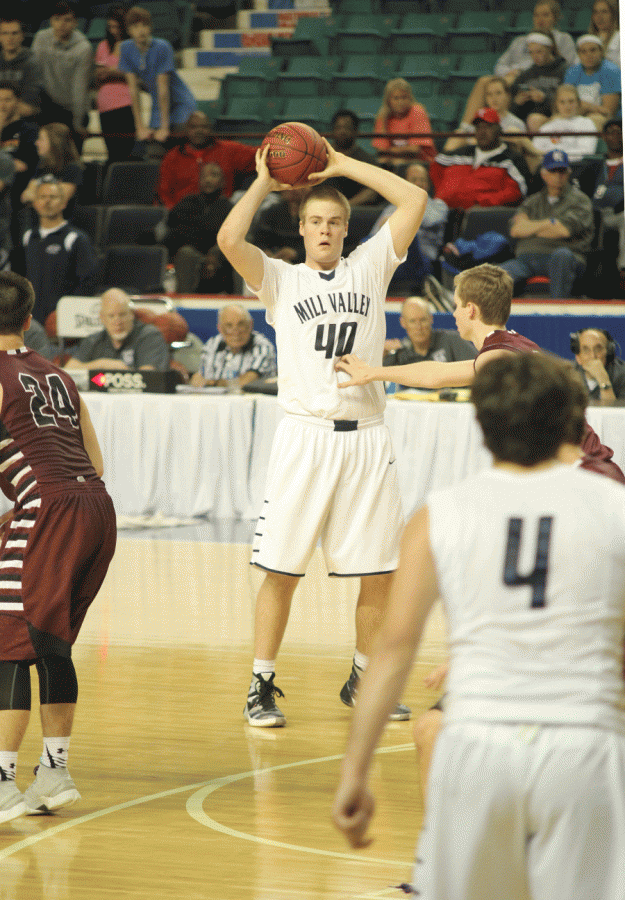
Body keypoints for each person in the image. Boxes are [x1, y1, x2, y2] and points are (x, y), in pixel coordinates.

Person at [333, 351, 625, 900]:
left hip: (477, 746)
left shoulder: (439, 514)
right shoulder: (614, 508)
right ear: (567, 421)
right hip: (581, 748)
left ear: (482, 427)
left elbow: (392, 651)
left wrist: (355, 770)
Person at [216, 139, 427, 727]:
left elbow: (415, 197)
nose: (326, 230)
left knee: (381, 572)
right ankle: (260, 683)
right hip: (305, 437)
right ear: (303, 228)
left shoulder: (371, 264)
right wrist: (264, 181)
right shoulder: (280, 280)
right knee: (281, 568)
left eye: (335, 221)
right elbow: (229, 241)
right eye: (315, 221)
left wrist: (342, 165)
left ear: (346, 227)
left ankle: (364, 678)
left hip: (366, 435)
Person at [0, 271, 117, 824]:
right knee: (52, 641)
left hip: (47, 511)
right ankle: (53, 771)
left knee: (9, 643)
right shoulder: (60, 376)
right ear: (29, 320)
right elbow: (96, 464)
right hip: (95, 509)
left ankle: (1, 782)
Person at [456, 1, 577, 131]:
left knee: (499, 89)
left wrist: (522, 72)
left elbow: (567, 64)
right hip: (516, 77)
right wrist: (513, 72)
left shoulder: (563, 39)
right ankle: (467, 128)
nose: (540, 19)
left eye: (545, 15)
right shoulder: (520, 41)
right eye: (536, 15)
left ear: (555, 17)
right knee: (486, 82)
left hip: (536, 80)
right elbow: (499, 66)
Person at [499, 149, 594, 298]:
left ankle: (558, 311)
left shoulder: (580, 200)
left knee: (562, 256)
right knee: (496, 276)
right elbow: (516, 230)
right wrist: (550, 223)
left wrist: (530, 226)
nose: (558, 176)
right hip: (526, 259)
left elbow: (563, 231)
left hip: (564, 257)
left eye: (562, 171)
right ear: (544, 174)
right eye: (553, 171)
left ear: (569, 173)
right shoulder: (532, 201)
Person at [118, 6, 197, 157]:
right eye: (135, 26)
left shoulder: (162, 46)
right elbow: (133, 91)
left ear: (151, 27)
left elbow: (163, 90)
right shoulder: (126, 48)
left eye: (144, 25)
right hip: (158, 104)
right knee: (153, 149)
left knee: (177, 143)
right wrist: (139, 127)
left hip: (179, 101)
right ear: (129, 30)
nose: (141, 30)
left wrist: (165, 127)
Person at [22, 176, 99, 324]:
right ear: (35, 203)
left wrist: (68, 312)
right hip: (31, 320)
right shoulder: (28, 237)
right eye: (42, 197)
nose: (47, 201)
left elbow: (87, 281)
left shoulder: (75, 238)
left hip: (62, 320)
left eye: (53, 197)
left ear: (64, 203)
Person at [430, 107, 531, 211]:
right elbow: (435, 168)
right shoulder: (459, 154)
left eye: (488, 127)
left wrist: (481, 202)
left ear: (499, 129)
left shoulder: (511, 159)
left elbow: (517, 192)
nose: (482, 132)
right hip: (444, 210)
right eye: (478, 127)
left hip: (484, 215)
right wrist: (443, 195)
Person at [156, 110, 256, 208]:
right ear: (186, 129)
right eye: (193, 127)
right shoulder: (172, 157)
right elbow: (164, 194)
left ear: (211, 129)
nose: (199, 131)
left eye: (204, 127)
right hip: (183, 216)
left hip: (221, 214)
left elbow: (263, 154)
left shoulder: (229, 149)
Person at [31, 2, 93, 152]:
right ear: (51, 21)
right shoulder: (41, 38)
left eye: (67, 20)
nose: (61, 24)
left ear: (75, 23)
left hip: (71, 108)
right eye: (57, 19)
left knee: (70, 155)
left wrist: (77, 124)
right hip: (46, 104)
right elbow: (34, 74)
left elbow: (79, 88)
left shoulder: (83, 48)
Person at [165, 162, 233, 294]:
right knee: (186, 253)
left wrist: (214, 252)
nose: (208, 180)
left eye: (213, 175)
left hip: (221, 255)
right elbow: (173, 233)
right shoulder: (187, 203)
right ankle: (185, 302)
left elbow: (233, 237)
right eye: (204, 176)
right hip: (192, 252)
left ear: (223, 182)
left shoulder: (230, 208)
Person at [65, 288, 170, 372]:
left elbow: (149, 376)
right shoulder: (94, 340)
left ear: (131, 314)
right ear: (102, 318)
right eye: (111, 316)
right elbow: (68, 370)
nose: (117, 321)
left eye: (122, 314)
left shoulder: (149, 336)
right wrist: (102, 364)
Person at [383, 296, 476, 388]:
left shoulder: (451, 340)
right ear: (403, 322)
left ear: (431, 319)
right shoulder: (399, 351)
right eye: (412, 321)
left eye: (423, 320)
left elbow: (480, 370)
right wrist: (382, 356)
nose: (418, 327)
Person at [190, 303, 277, 389]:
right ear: (219, 328)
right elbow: (200, 377)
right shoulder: (212, 344)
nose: (236, 332)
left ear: (250, 325)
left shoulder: (263, 346)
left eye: (241, 325)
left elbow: (247, 381)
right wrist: (198, 380)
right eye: (229, 326)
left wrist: (213, 383)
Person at [94, 4, 135, 165]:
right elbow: (99, 74)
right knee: (112, 151)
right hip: (105, 105)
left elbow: (135, 73)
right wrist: (118, 71)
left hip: (126, 103)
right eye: (110, 27)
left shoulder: (132, 45)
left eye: (117, 27)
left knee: (125, 151)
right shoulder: (103, 46)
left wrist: (112, 72)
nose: (113, 31)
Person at [444, 76, 526, 154]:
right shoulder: (480, 116)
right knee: (458, 134)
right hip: (476, 155)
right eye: (489, 94)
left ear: (507, 95)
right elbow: (466, 132)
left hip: (501, 159)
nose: (494, 98)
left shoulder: (517, 123)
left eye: (498, 93)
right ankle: (442, 164)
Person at [21, 122, 83, 219]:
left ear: (54, 142)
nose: (36, 143)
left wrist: (36, 195)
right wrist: (44, 198)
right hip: (39, 221)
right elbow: (25, 196)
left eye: (41, 139)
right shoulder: (42, 167)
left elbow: (59, 202)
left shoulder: (72, 168)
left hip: (64, 222)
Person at [508, 32, 567, 131]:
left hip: (554, 117)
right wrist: (517, 103)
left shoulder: (564, 71)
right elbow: (511, 112)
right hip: (526, 119)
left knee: (534, 120)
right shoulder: (525, 75)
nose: (535, 56)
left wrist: (544, 99)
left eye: (539, 52)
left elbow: (568, 102)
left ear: (550, 49)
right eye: (531, 52)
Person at [372, 78, 436, 168]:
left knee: (398, 163)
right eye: (396, 98)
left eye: (404, 97)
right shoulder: (383, 116)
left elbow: (415, 150)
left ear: (410, 98)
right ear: (388, 101)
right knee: (380, 163)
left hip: (422, 161)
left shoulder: (418, 111)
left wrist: (391, 150)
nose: (400, 102)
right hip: (393, 160)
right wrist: (394, 152)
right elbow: (381, 149)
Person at [563, 34, 621, 131]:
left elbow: (608, 112)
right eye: (583, 51)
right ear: (579, 54)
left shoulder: (611, 71)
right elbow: (565, 102)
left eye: (593, 50)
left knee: (593, 120)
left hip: (604, 119)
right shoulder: (572, 72)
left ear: (601, 52)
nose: (588, 55)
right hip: (576, 114)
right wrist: (590, 107)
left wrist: (582, 106)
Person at [324, 109, 379, 207]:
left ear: (356, 131)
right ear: (332, 130)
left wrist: (346, 207)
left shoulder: (366, 160)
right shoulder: (321, 156)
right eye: (338, 127)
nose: (342, 132)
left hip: (354, 212)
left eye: (347, 128)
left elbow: (372, 192)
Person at [532, 84, 598, 165]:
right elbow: (536, 151)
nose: (567, 106)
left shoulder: (587, 123)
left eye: (571, 101)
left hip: (576, 166)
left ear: (578, 102)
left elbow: (586, 151)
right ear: (556, 104)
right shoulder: (547, 127)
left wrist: (556, 157)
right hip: (549, 168)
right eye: (562, 102)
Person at [0, 17, 43, 119]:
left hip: (24, 120)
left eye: (14, 33)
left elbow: (30, 107)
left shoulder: (32, 63)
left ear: (22, 36)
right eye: (5, 33)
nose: (10, 38)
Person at [571, 326, 625, 400]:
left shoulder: (622, 375)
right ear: (578, 358)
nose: (593, 356)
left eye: (598, 349)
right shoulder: (567, 375)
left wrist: (603, 380)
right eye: (586, 350)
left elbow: (612, 411)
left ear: (609, 353)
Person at [587, 0, 620, 68]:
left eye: (604, 12)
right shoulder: (587, 39)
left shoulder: (620, 37)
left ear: (614, 15)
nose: (599, 17)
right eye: (595, 12)